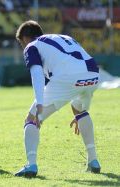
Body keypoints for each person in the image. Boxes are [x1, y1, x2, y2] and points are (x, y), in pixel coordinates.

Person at [14, 20, 101, 177]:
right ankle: (93, 161)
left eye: (21, 42)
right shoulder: (61, 37)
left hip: (68, 77)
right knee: (79, 109)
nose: (22, 46)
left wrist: (39, 103)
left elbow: (36, 73)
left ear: (26, 38)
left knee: (31, 119)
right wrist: (84, 109)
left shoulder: (31, 45)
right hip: (93, 74)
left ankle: (31, 165)